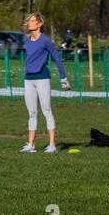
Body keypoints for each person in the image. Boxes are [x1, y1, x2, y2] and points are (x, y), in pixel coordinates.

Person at [20, 13, 71, 154]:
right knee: (32, 112)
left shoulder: (46, 41)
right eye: (29, 21)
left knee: (46, 111)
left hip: (42, 78)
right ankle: (31, 145)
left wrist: (63, 78)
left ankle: (52, 145)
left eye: (32, 21)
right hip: (28, 79)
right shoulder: (27, 41)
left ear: (40, 23)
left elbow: (57, 58)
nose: (29, 23)